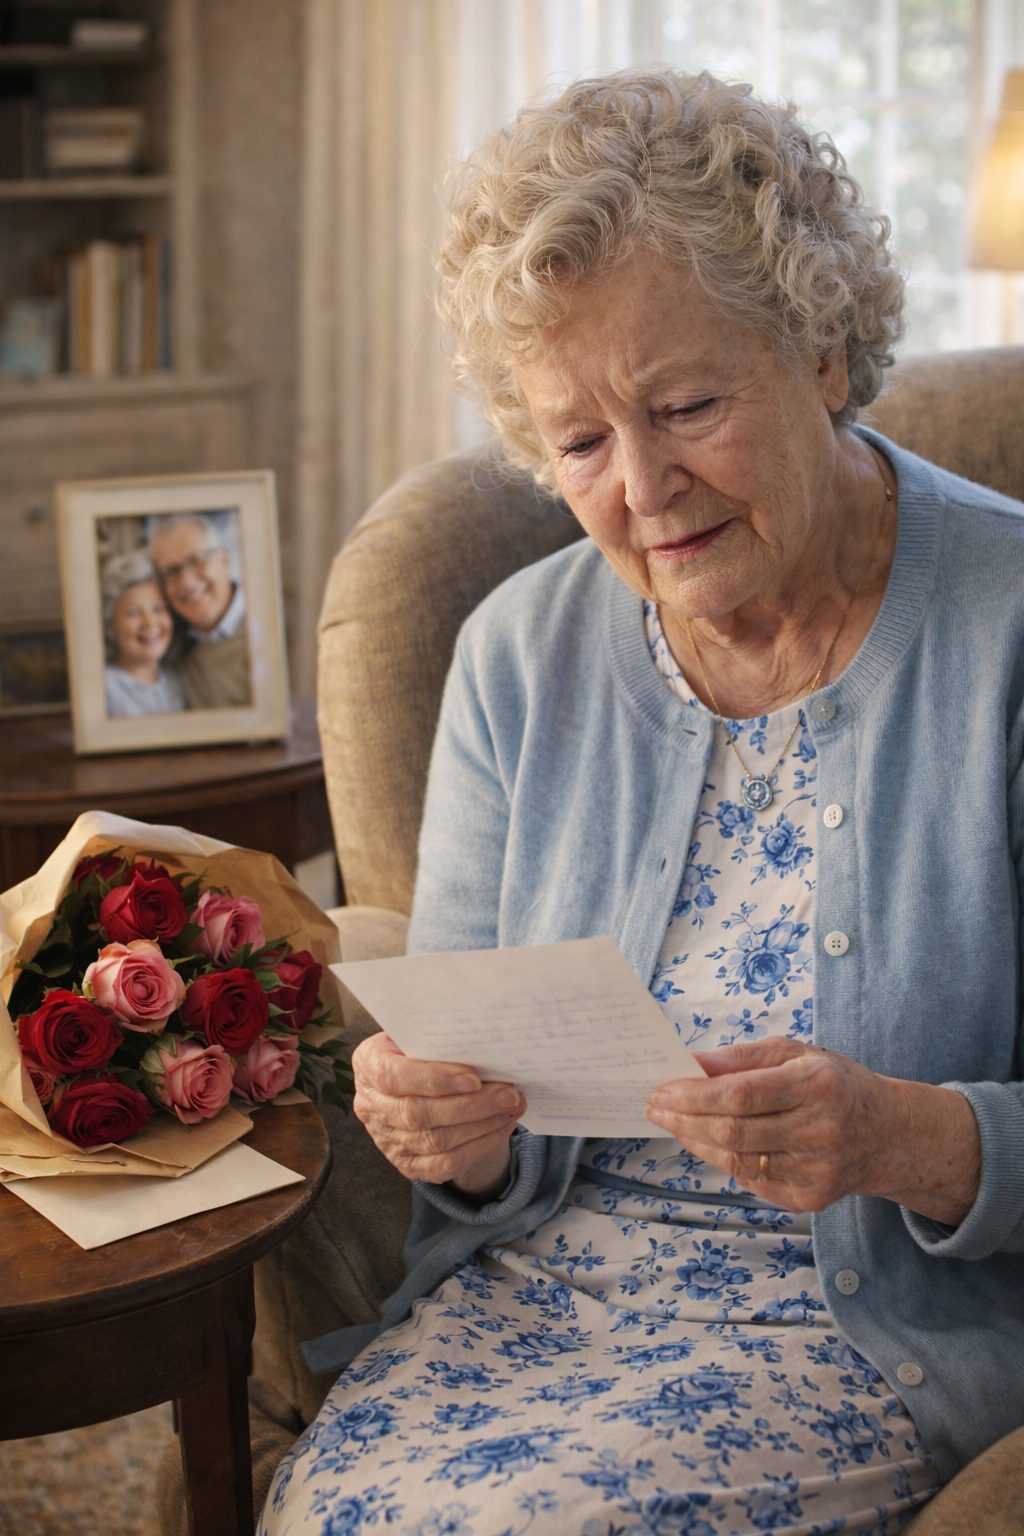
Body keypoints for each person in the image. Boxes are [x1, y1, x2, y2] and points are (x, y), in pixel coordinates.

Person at [260, 70, 1024, 1535]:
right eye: (581, 441)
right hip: (533, 1305)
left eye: (685, 405)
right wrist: (447, 1127)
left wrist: (900, 1137)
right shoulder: (515, 656)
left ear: (824, 350)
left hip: (855, 1342)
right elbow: (479, 1132)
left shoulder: (1009, 631)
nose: (643, 488)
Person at [148, 513, 252, 709]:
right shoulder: (166, 640)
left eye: (197, 560)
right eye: (171, 571)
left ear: (224, 560)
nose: (187, 582)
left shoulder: (267, 629)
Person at [102, 548, 186, 717]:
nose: (149, 623)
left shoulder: (175, 682)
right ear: (111, 625)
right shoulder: (105, 687)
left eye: (158, 609)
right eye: (133, 613)